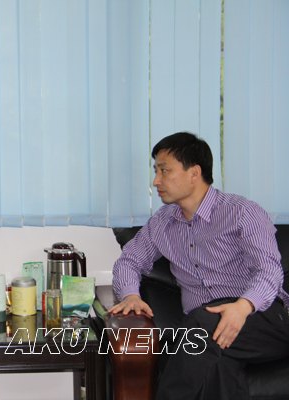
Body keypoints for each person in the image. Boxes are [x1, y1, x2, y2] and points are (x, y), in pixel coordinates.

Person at [110, 132, 289, 400]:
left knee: (198, 328)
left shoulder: (242, 212)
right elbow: (129, 261)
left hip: (261, 317)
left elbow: (269, 270)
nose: (156, 180)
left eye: (164, 170)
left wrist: (242, 307)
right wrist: (130, 295)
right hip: (204, 328)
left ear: (194, 173)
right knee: (216, 363)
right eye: (156, 171)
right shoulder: (162, 223)